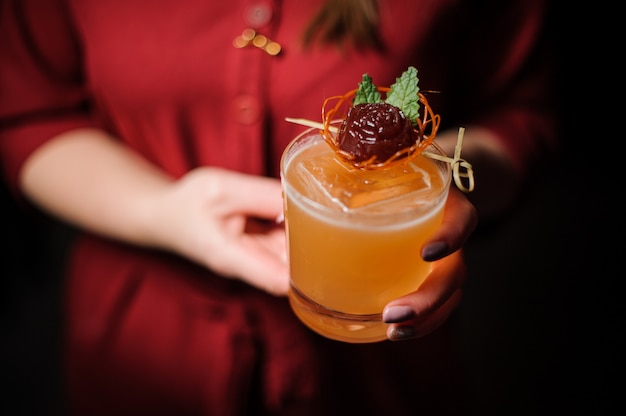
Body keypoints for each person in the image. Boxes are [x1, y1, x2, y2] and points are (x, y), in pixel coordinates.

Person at [0, 0, 557, 414]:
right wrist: (164, 211)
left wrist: (442, 180)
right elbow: (27, 113)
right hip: (141, 354)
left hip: (379, 375)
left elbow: (524, 115)